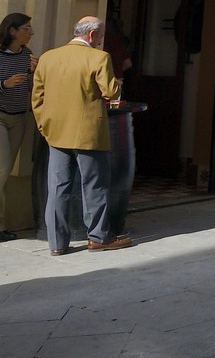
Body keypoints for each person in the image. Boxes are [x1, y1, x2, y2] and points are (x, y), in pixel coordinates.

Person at [32, 16, 127, 254]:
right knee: (94, 186)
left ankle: (57, 243)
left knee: (58, 188)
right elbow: (111, 92)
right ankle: (98, 237)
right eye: (100, 35)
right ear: (92, 34)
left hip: (56, 132)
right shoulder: (99, 57)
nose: (101, 40)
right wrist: (118, 83)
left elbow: (37, 97)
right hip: (89, 134)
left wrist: (44, 125)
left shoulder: (48, 57)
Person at [0, 13, 38, 242]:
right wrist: (4, 84)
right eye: (27, 28)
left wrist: (34, 73)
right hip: (0, 117)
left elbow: (31, 87)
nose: (31, 32)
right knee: (2, 170)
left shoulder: (27, 55)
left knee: (5, 173)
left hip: (19, 118)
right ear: (12, 31)